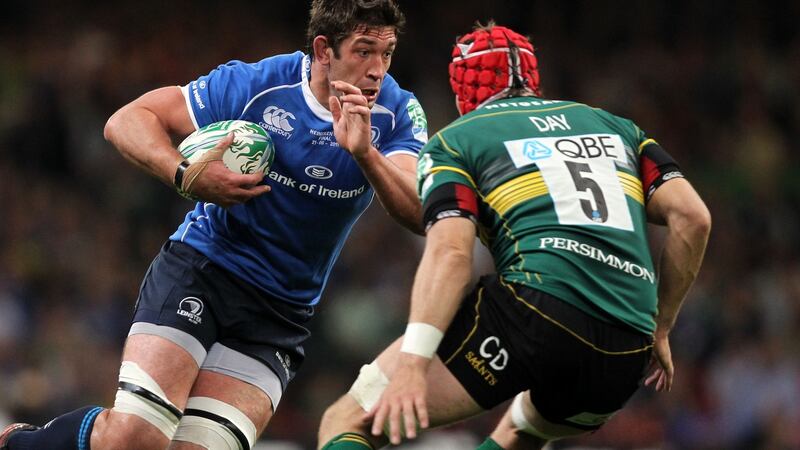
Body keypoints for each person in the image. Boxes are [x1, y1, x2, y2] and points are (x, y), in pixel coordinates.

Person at [0, 1, 427, 449]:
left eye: (387, 53)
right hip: (202, 270)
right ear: (323, 49)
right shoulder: (257, 85)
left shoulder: (397, 112)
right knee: (136, 438)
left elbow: (418, 212)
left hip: (279, 314)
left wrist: (365, 154)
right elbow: (126, 121)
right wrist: (185, 174)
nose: (378, 69)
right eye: (364, 51)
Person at [317, 22, 711, 450]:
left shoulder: (458, 141)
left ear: (461, 92)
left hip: (534, 311)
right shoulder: (617, 128)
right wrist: (662, 327)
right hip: (626, 345)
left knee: (348, 419)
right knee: (521, 430)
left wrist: (414, 363)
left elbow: (450, 251)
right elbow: (694, 218)